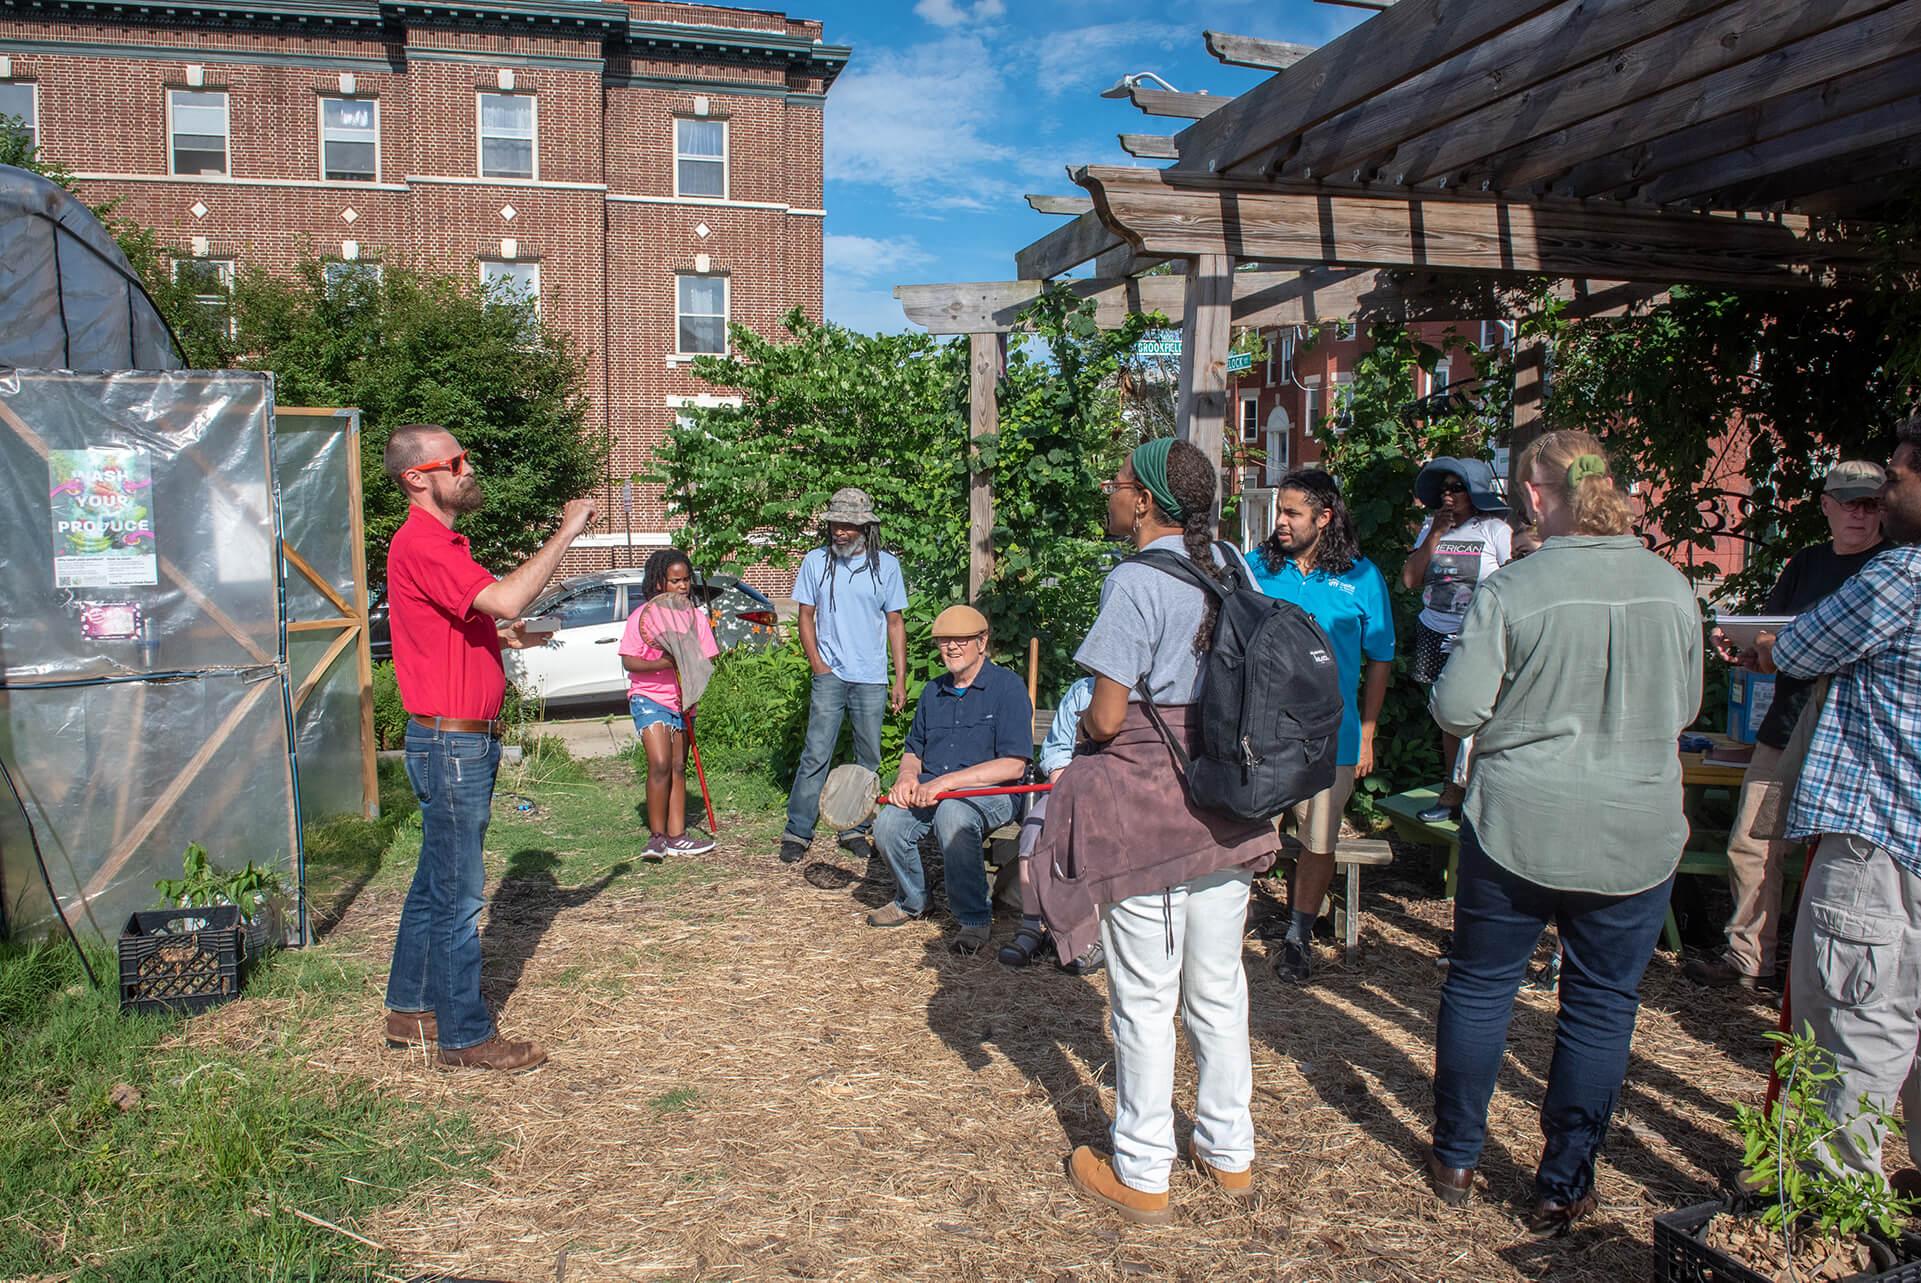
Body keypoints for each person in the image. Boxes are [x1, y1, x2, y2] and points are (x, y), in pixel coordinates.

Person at [1424, 430, 1701, 1231]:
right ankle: (1560, 1179)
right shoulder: (1671, 586)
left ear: (1536, 498)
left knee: (1480, 986)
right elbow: (1683, 707)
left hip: (1520, 816)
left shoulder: (1515, 588)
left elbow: (1456, 708)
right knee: (1601, 1005)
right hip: (1636, 825)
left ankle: (1457, 1156)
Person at [1034, 437, 1278, 1224]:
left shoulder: (1134, 579)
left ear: (1142, 502)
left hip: (1152, 808)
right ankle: (1228, 1153)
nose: (1108, 492)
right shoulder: (1231, 565)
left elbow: (1105, 714)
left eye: (1115, 482)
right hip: (1231, 803)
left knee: (1143, 998)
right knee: (1218, 987)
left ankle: (1142, 1170)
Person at [380, 422, 596, 1073]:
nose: (467, 467)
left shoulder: (432, 543)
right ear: (418, 476)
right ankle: (464, 1036)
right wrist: (567, 531)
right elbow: (502, 597)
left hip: (450, 740)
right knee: (458, 895)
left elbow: (456, 627)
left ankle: (410, 1007)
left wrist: (499, 643)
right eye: (456, 460)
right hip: (451, 746)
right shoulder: (423, 541)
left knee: (433, 882)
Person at [1753, 418, 1921, 1180]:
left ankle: (1833, 1211)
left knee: (1855, 1029)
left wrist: (1762, 643)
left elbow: (1796, 647)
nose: (1884, 489)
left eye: (1897, 473)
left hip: (1876, 840)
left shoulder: (1901, 577)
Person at [1686, 460, 1889, 989]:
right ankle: (1749, 960)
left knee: (1842, 858)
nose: (1861, 514)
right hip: (1787, 728)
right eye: (1850, 502)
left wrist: (1786, 652)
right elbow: (1775, 645)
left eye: (1871, 503)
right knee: (1755, 842)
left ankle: (1823, 975)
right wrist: (1749, 652)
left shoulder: (1891, 569)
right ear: (1826, 505)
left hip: (1852, 739)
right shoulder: (1806, 564)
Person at [1248, 468, 1395, 984]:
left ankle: (1297, 935)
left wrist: (1369, 733)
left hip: (1334, 737)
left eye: (1292, 513)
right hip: (1262, 734)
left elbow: (1380, 658)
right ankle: (1227, 929)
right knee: (1248, 830)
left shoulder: (1362, 577)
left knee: (1317, 840)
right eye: (1278, 511)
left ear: (1324, 517)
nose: (1280, 522)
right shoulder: (1257, 567)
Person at [866, 604, 1033, 955]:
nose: (951, 648)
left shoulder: (1007, 688)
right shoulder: (933, 691)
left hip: (993, 795)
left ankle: (974, 919)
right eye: (944, 641)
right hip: (933, 790)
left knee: (953, 814)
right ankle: (912, 900)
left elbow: (1014, 766)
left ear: (982, 642)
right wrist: (907, 777)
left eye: (960, 640)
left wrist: (947, 784)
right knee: (888, 826)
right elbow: (914, 750)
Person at [778, 487, 909, 866]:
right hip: (830, 674)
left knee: (867, 757)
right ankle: (798, 831)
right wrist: (818, 664)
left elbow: (895, 623)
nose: (840, 531)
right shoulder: (815, 562)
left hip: (871, 677)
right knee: (816, 752)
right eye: (835, 524)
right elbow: (805, 616)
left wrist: (898, 679)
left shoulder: (887, 566)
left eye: (848, 525)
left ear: (865, 527)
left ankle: (855, 827)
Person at [1402, 456, 1513, 824]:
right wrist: (1434, 533)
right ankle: (1452, 791)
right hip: (1435, 629)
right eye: (1444, 489)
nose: (1448, 496)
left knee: (1484, 714)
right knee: (1447, 715)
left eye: (1457, 488)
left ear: (1476, 492)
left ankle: (1483, 793)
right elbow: (1409, 580)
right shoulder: (1431, 529)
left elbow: (1513, 580)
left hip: (1477, 636)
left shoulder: (1495, 530)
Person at [996, 676, 1104, 974]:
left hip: (1117, 795)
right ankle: (1031, 927)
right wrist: (1062, 780)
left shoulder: (1146, 691)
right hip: (1069, 787)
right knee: (1034, 824)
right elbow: (1057, 748)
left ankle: (1093, 937)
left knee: (1092, 831)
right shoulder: (1082, 690)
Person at [619, 547, 721, 861]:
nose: (682, 586)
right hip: (649, 698)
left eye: (686, 580)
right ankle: (656, 837)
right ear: (659, 582)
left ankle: (678, 836)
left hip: (683, 701)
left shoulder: (695, 618)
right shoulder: (643, 617)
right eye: (675, 580)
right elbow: (630, 662)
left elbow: (708, 656)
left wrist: (690, 664)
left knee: (678, 766)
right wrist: (666, 663)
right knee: (661, 763)